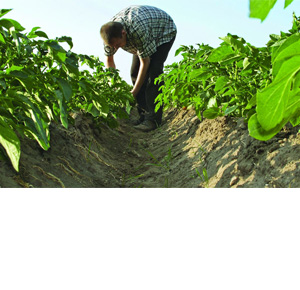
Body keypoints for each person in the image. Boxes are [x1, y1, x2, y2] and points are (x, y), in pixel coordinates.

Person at [100, 5, 177, 132]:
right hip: (145, 33)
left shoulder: (137, 30)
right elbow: (109, 60)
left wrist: (133, 93)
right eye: (113, 46)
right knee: (134, 73)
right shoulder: (109, 37)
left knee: (154, 74)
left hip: (162, 32)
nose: (116, 48)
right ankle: (144, 115)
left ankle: (153, 119)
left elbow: (145, 62)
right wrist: (112, 84)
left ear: (123, 33)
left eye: (118, 44)